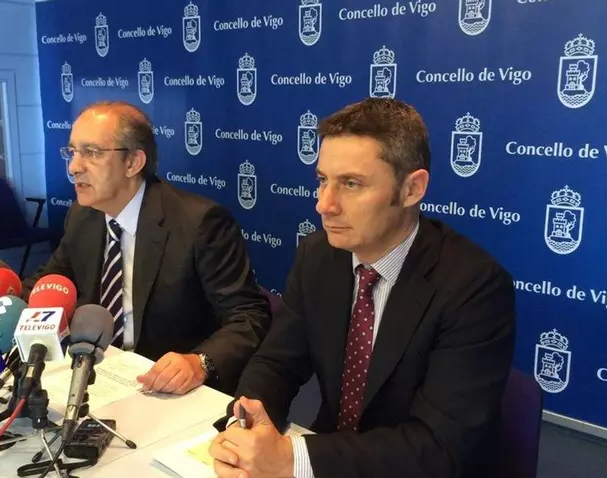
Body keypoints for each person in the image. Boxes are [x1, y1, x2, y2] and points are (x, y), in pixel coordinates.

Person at [209, 98, 516, 478]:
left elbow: (438, 446)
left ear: (412, 189)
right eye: (322, 180)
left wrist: (291, 458)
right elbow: (277, 363)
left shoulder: (474, 286)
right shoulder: (318, 255)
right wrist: (243, 428)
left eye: (351, 184)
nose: (324, 205)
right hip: (328, 457)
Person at [21, 100, 271, 396]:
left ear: (133, 163)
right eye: (72, 152)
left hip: (165, 386)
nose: (74, 167)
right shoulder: (83, 215)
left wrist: (200, 362)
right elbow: (50, 281)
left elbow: (249, 315)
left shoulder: (199, 223)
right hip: (97, 372)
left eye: (92, 152)